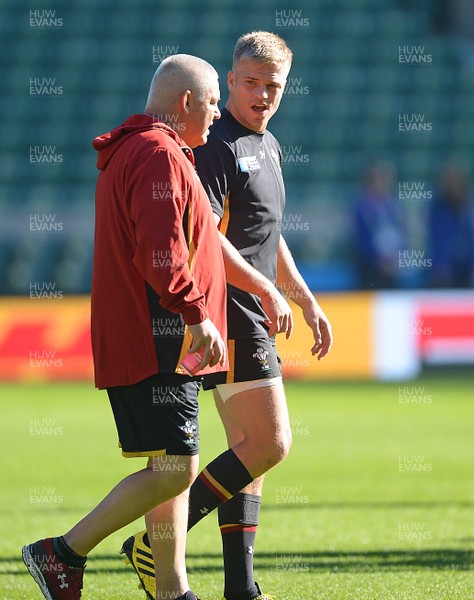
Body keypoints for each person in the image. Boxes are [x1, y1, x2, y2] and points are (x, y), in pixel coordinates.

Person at [123, 32, 333, 600]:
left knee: (248, 450)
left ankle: (239, 587)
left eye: (275, 85)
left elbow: (269, 235)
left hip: (256, 309)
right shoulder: (215, 146)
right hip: (232, 309)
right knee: (270, 442)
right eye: (252, 83)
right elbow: (208, 238)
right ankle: (155, 542)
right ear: (231, 79)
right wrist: (265, 290)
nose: (263, 94)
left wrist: (305, 298)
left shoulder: (269, 145)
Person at [22, 54, 227, 600]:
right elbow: (161, 253)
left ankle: (171, 589)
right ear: (186, 102)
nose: (217, 113)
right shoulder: (159, 154)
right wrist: (196, 314)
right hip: (158, 335)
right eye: (212, 101)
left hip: (154, 336)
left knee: (169, 462)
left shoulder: (142, 150)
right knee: (178, 468)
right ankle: (62, 552)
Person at [353, 160, 405, 289]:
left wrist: (396, 259)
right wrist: (377, 260)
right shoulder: (363, 206)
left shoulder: (393, 205)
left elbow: (401, 232)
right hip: (370, 268)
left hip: (392, 268)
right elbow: (362, 239)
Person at [428, 161, 474, 288]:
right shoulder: (437, 208)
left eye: (455, 180)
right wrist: (440, 265)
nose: (453, 185)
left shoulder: (468, 208)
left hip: (466, 268)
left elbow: (471, 239)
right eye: (448, 181)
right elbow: (436, 239)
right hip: (445, 271)